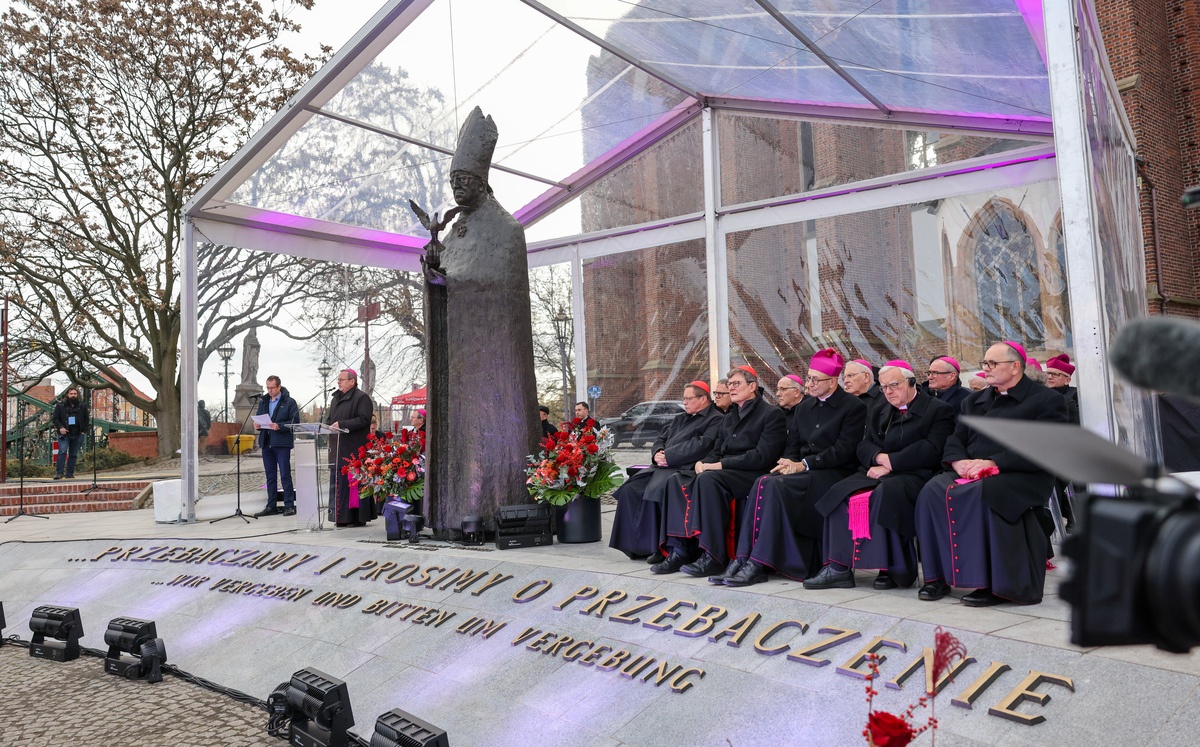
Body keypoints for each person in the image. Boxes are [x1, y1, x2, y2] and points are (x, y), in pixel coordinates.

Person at [913, 341, 1068, 607]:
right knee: (931, 491)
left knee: (982, 493)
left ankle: (991, 584)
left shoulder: (1047, 400)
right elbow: (956, 438)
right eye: (985, 363)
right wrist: (958, 462)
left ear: (1015, 367)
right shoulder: (974, 401)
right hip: (973, 470)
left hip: (1020, 474)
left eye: (993, 363)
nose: (986, 368)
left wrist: (994, 463)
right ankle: (937, 577)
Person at [716, 350, 867, 586]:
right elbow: (793, 445)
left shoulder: (853, 406)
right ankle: (743, 558)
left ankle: (758, 563)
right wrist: (788, 462)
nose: (810, 384)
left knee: (771, 485)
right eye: (809, 378)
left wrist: (803, 464)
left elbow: (844, 450)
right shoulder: (804, 408)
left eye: (815, 380)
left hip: (834, 472)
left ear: (832, 382)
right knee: (763, 481)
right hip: (804, 471)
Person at [806, 361, 955, 591]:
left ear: (911, 382)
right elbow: (864, 444)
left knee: (886, 494)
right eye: (884, 387)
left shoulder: (938, 410)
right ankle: (838, 567)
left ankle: (892, 569)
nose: (888, 392)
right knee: (838, 492)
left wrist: (891, 463)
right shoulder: (880, 409)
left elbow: (933, 448)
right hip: (880, 468)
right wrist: (878, 457)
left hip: (917, 473)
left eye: (894, 385)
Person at [654, 365, 786, 576]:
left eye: (736, 384)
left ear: (752, 386)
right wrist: (703, 462)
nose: (731, 388)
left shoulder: (771, 414)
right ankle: (680, 549)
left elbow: (762, 456)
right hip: (726, 471)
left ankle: (713, 556)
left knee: (708, 480)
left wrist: (718, 465)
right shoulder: (730, 417)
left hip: (753, 472)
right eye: (730, 384)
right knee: (678, 479)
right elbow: (717, 450)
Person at [609, 381, 723, 561]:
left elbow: (702, 445)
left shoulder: (716, 419)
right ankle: (635, 546)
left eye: (688, 399)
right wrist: (657, 453)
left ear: (703, 399)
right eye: (684, 398)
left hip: (684, 468)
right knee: (630, 489)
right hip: (663, 466)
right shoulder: (680, 418)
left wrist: (669, 456)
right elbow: (660, 439)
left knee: (654, 491)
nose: (684, 402)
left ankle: (659, 548)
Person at [326, 368, 375, 527]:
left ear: (352, 381)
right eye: (338, 379)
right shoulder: (335, 399)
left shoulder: (362, 398)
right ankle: (341, 518)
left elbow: (364, 419)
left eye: (342, 379)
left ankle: (356, 518)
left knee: (353, 485)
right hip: (337, 449)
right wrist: (326, 426)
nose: (338, 382)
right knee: (339, 485)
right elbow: (330, 419)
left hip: (353, 449)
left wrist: (342, 424)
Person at [253, 376, 300, 517]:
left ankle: (289, 505)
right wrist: (257, 425)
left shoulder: (289, 402)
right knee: (270, 475)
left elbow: (295, 422)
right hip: (267, 442)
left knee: (285, 474)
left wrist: (280, 426)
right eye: (268, 388)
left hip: (282, 443)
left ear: (279, 387)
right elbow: (259, 417)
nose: (270, 390)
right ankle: (271, 505)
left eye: (272, 388)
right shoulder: (264, 402)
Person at [52, 386, 89, 480]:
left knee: (73, 454)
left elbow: (86, 419)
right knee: (62, 452)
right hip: (64, 434)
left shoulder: (82, 406)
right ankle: (59, 473)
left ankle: (69, 473)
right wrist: (61, 427)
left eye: (75, 394)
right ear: (67, 395)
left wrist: (83, 431)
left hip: (78, 433)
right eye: (71, 394)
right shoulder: (60, 406)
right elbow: (55, 419)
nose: (73, 396)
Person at [1045, 354, 1080, 425]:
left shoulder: (1076, 395)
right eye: (1048, 373)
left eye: (1055, 374)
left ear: (1067, 380)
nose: (1049, 377)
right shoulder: (1041, 394)